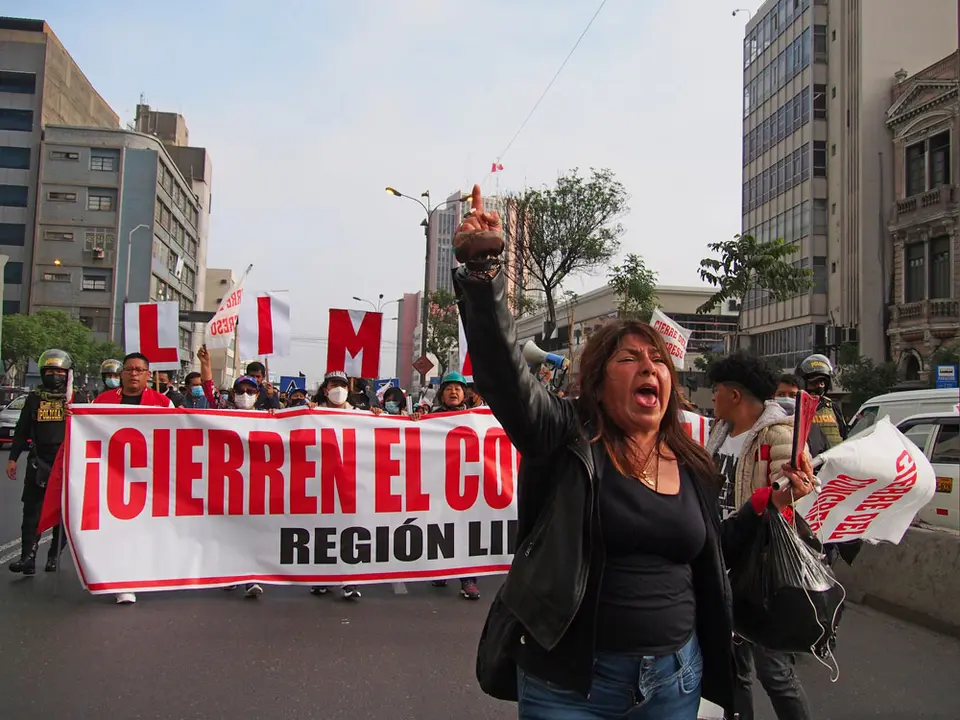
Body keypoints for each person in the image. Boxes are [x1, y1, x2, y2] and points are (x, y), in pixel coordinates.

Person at [454, 184, 815, 719]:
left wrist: (771, 503)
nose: (650, 367)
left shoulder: (693, 461)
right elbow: (505, 377)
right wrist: (484, 268)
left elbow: (714, 551)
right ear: (598, 383)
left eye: (657, 360)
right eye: (630, 359)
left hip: (675, 683)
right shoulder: (564, 437)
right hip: (569, 686)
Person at [704, 353, 813, 720]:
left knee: (775, 671)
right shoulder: (716, 434)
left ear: (735, 395)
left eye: (717, 390)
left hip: (763, 569)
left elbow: (799, 494)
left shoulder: (778, 435)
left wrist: (793, 489)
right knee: (734, 670)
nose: (712, 397)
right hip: (722, 562)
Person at [92, 353, 171, 602]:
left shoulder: (162, 403)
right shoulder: (101, 402)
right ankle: (121, 581)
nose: (134, 374)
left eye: (139, 370)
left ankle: (140, 574)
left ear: (149, 374)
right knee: (117, 531)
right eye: (129, 369)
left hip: (149, 477)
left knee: (144, 531)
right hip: (113, 475)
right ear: (122, 374)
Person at [6, 349, 78, 575]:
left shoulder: (77, 398)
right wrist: (13, 458)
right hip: (39, 460)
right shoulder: (34, 398)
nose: (55, 375)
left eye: (59, 371)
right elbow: (22, 430)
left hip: (67, 461)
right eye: (50, 371)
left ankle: (54, 556)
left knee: (63, 511)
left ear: (67, 374)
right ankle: (28, 556)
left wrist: (75, 413)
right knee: (32, 511)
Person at [413, 371, 481, 600]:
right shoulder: (432, 417)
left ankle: (468, 579)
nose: (453, 392)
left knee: (468, 531)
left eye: (458, 389)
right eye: (449, 388)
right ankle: (441, 569)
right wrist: (414, 420)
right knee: (440, 529)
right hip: (439, 484)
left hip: (467, 485)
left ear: (465, 394)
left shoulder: (477, 418)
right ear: (442, 394)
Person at [311, 370, 363, 600]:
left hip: (349, 482)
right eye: (334, 384)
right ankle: (320, 578)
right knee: (321, 532)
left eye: (342, 385)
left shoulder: (361, 415)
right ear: (325, 389)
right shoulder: (312, 413)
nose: (338, 389)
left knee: (347, 532)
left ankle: (347, 580)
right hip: (319, 482)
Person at [795, 354, 847, 449]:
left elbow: (844, 435)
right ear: (802, 382)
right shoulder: (796, 407)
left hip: (832, 461)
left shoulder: (832, 407)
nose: (819, 386)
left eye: (822, 383)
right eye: (814, 382)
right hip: (808, 462)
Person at [775, 374, 830, 457]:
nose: (787, 399)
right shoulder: (763, 426)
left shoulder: (813, 427)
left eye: (793, 395)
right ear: (773, 396)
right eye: (781, 394)